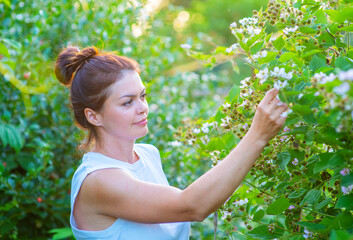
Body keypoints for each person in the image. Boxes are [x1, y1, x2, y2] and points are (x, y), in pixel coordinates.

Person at [54, 46, 288, 240]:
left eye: (142, 96)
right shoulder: (98, 180)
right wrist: (257, 134)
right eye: (128, 102)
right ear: (94, 116)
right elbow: (192, 206)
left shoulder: (147, 155)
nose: (143, 107)